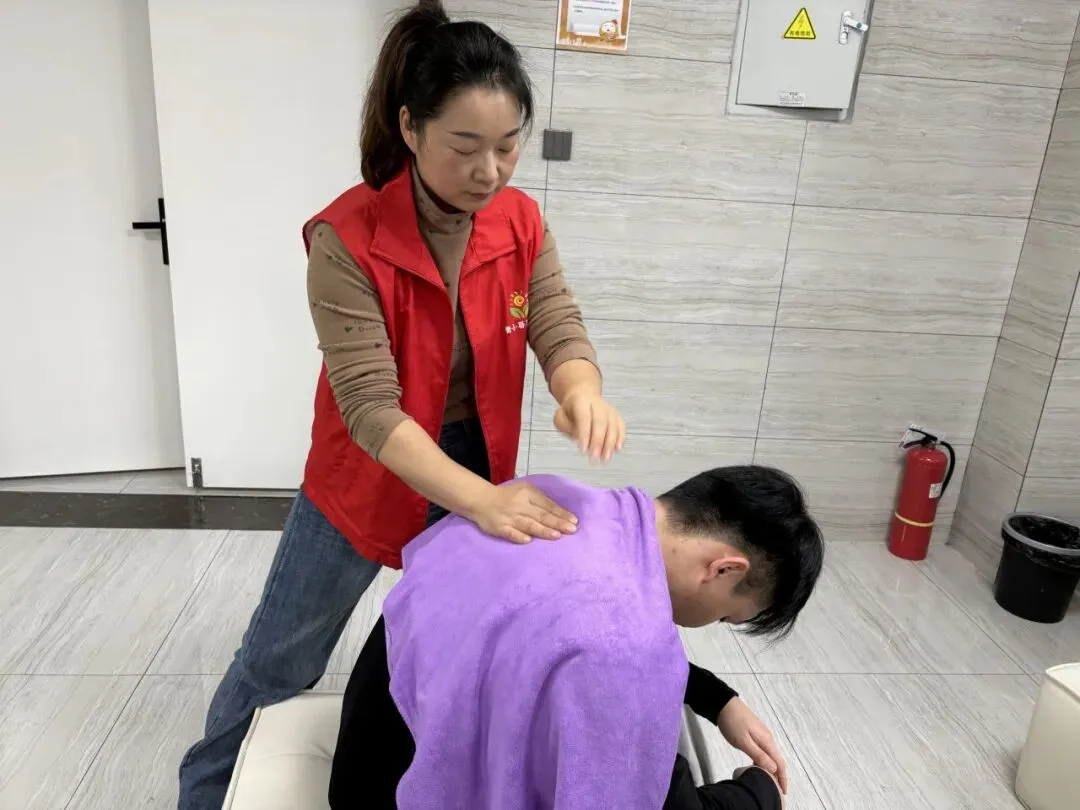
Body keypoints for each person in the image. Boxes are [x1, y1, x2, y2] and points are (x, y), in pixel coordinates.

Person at [177, 3, 628, 807]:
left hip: (476, 456)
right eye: (465, 145)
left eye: (508, 144)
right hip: (367, 472)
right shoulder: (345, 239)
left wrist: (580, 388)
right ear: (411, 128)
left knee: (456, 645)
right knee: (279, 659)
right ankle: (205, 793)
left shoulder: (519, 221)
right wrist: (484, 502)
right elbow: (372, 410)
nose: (490, 170)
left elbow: (555, 319)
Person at [330, 466, 825, 809]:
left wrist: (716, 698)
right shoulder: (628, 652)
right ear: (724, 569)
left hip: (367, 753)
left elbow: (555, 635)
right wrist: (760, 792)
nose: (711, 623)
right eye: (727, 617)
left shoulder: (554, 501)